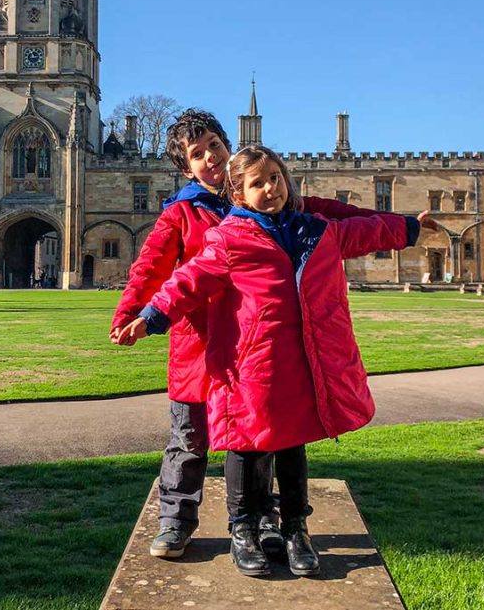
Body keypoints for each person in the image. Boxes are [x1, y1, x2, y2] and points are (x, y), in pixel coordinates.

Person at [114, 145, 434, 577]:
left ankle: (296, 527)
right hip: (253, 366)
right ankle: (242, 529)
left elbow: (363, 231)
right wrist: (149, 317)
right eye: (258, 183)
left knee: (292, 444)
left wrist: (407, 227)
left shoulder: (315, 231)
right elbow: (186, 281)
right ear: (240, 195)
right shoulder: (228, 239)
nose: (270, 188)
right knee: (246, 447)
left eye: (276, 178)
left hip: (301, 361)